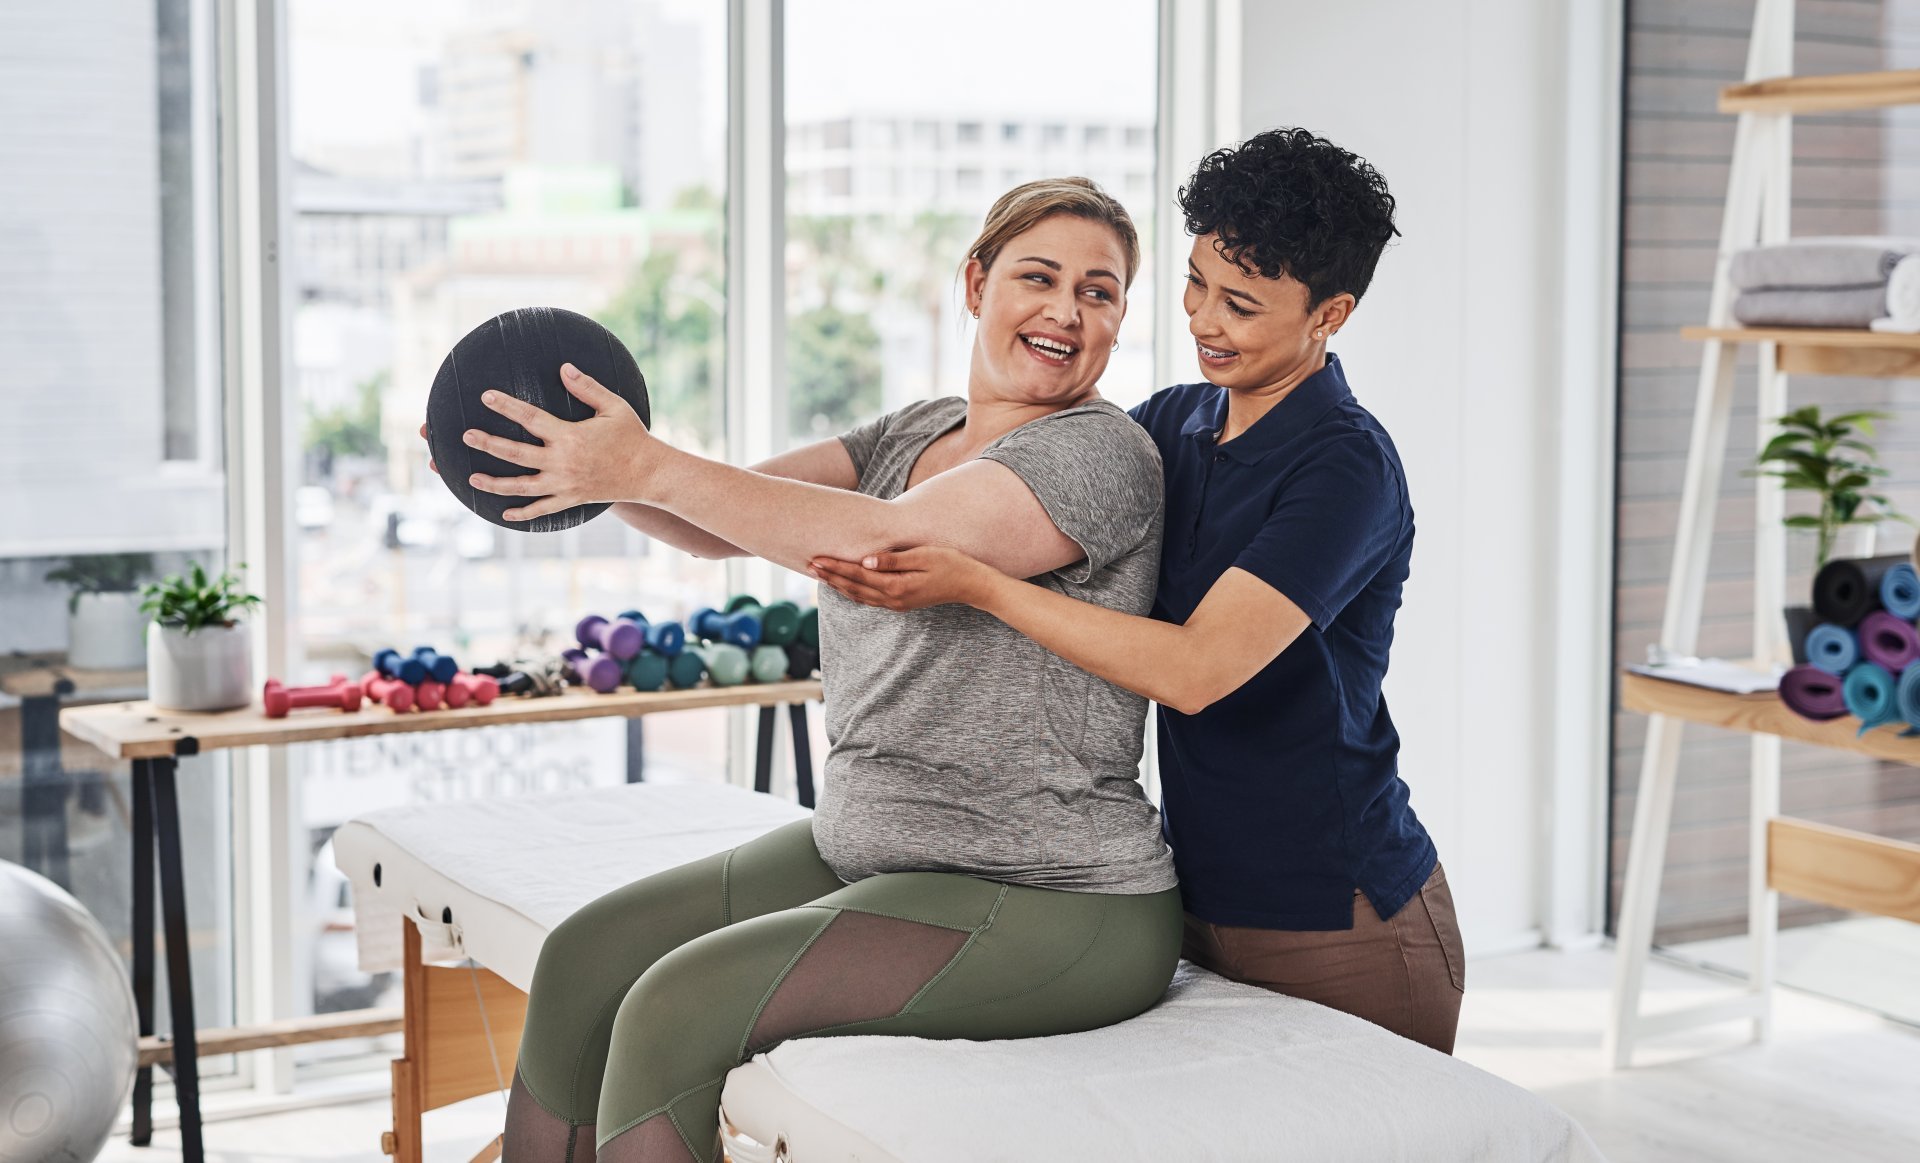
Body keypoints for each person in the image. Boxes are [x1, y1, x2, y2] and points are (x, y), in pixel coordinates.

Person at [435, 178, 1183, 1163]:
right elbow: (713, 524)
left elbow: (889, 542)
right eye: (1037, 277)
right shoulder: (913, 432)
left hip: (1056, 896)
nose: (1065, 310)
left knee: (673, 1006)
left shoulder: (1101, 451)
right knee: (585, 959)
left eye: (1100, 292)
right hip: (867, 844)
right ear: (975, 282)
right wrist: (571, 468)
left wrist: (643, 463)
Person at [810, 128, 1465, 1056]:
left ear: (1332, 314)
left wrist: (982, 585)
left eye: (1240, 304)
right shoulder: (1174, 422)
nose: (1204, 320)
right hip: (1196, 897)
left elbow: (1198, 669)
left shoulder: (1346, 467)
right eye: (1196, 283)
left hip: (1343, 918)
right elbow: (1030, 478)